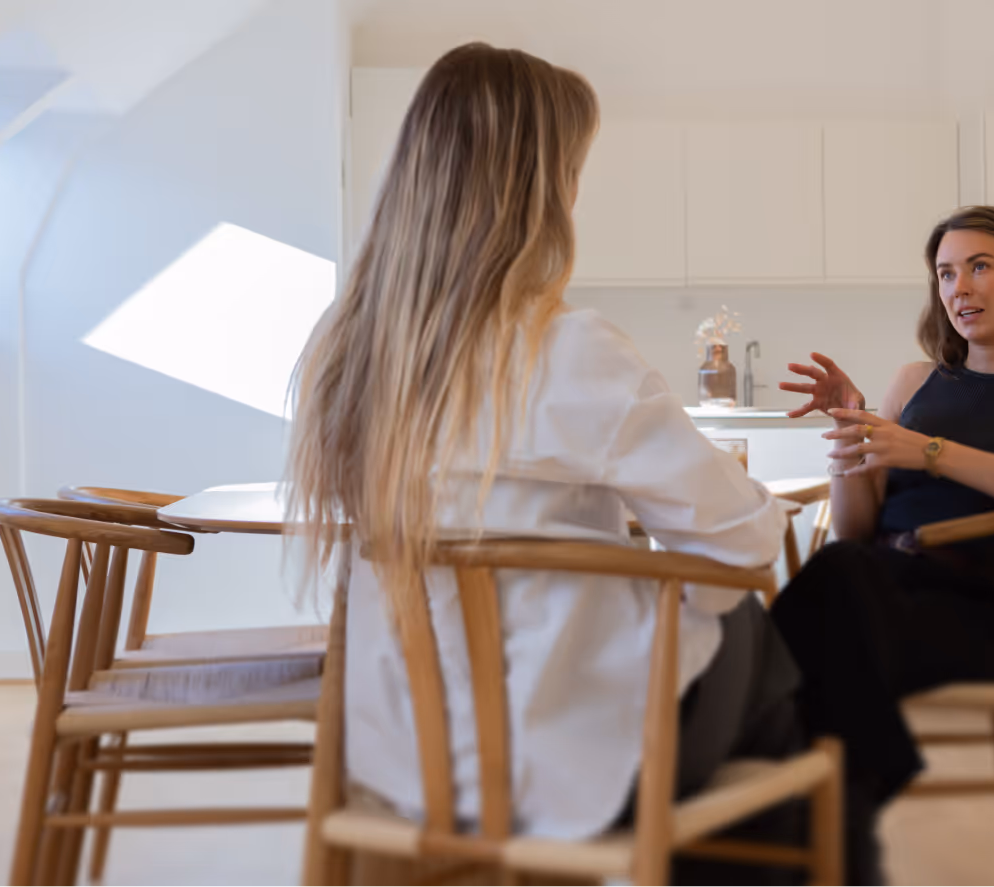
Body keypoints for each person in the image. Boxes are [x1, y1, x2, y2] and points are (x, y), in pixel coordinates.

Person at [286, 43, 806, 885]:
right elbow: (742, 545)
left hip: (403, 762)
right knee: (765, 644)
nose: (574, 194)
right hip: (566, 766)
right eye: (570, 171)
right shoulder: (566, 348)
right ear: (533, 189)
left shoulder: (348, 355)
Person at [773, 205, 994, 886]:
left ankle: (828, 822)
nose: (959, 287)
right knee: (840, 576)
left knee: (797, 639)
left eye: (979, 266)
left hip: (970, 615)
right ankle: (850, 810)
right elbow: (855, 528)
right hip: (875, 587)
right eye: (946, 273)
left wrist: (927, 451)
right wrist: (852, 442)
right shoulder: (913, 381)